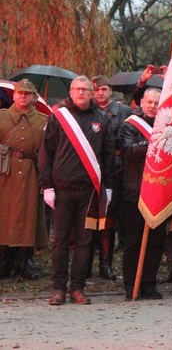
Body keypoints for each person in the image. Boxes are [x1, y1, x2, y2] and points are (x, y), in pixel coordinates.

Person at [40, 76, 116, 305]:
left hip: (90, 192)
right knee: (60, 241)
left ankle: (77, 288)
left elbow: (108, 156)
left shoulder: (102, 118)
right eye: (77, 89)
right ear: (71, 92)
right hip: (62, 190)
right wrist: (46, 186)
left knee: (85, 242)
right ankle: (58, 288)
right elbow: (46, 154)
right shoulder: (58, 118)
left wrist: (109, 187)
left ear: (92, 93)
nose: (81, 93)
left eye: (85, 89)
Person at [119, 88, 166, 300]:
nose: (152, 106)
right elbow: (127, 151)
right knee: (133, 242)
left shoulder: (168, 127)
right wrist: (152, 143)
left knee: (156, 242)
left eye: (157, 103)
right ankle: (131, 284)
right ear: (142, 103)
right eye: (149, 102)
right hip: (135, 191)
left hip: (160, 191)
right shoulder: (130, 125)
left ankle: (149, 283)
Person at [0, 79, 49, 280]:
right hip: (4, 173)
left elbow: (49, 150)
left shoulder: (44, 120)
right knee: (4, 215)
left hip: (31, 172)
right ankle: (4, 259)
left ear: (34, 97)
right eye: (20, 93)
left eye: (27, 93)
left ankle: (24, 258)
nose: (23, 96)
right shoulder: (1, 117)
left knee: (28, 216)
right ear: (13, 95)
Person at [89, 75, 132, 280]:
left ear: (110, 91)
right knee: (87, 218)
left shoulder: (123, 112)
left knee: (109, 219)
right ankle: (86, 264)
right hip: (89, 167)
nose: (100, 93)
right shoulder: (84, 110)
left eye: (104, 89)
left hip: (115, 168)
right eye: (96, 89)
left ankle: (106, 264)